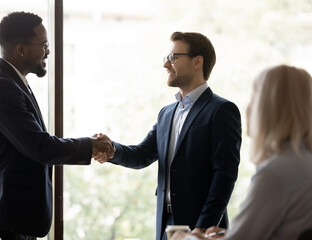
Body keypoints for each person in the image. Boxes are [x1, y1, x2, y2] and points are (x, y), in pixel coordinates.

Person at [0, 11, 114, 240]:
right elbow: (40, 147)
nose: (48, 50)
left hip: (12, 217)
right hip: (2, 218)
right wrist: (90, 145)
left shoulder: (12, 83)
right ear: (21, 49)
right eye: (44, 44)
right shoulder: (1, 87)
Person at [94, 32, 242, 240]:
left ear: (197, 61)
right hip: (166, 226)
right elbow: (142, 154)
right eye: (166, 58)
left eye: (173, 58)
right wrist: (112, 150)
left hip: (202, 227)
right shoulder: (166, 113)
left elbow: (225, 174)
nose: (166, 65)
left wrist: (203, 227)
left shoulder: (221, 110)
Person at [171, 65, 312, 240]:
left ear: (269, 108)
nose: (248, 109)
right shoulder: (303, 163)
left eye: (254, 99)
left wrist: (183, 238)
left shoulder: (275, 172)